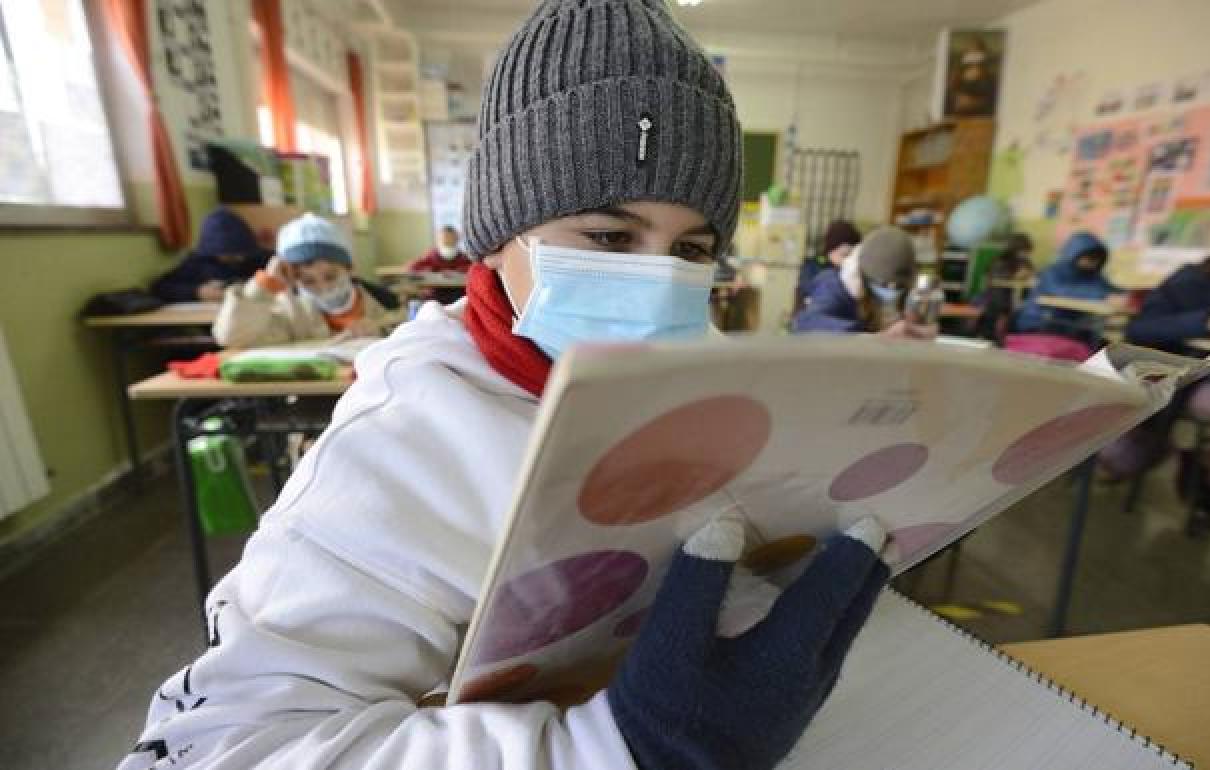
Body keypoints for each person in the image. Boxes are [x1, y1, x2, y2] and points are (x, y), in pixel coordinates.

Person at [117, 2, 890, 768]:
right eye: (608, 237)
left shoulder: (707, 383)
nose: (655, 282)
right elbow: (219, 747)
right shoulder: (405, 439)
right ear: (496, 235)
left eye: (691, 250)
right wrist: (611, 750)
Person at [1107, 231, 1210, 531]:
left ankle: (1205, 467)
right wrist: (1207, 321)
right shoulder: (1190, 282)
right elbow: (1141, 329)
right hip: (1193, 378)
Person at [211, 213, 392, 349]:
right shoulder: (289, 312)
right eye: (309, 281)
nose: (323, 287)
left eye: (331, 276)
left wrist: (381, 333)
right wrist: (264, 285)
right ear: (294, 281)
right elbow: (232, 338)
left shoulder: (384, 304)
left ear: (350, 268)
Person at [792, 225, 936, 338]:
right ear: (861, 274)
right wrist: (869, 337)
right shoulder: (833, 284)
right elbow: (806, 322)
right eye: (884, 285)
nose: (891, 291)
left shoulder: (899, 291)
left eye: (898, 286)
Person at [1013, 231, 1122, 347]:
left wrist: (1125, 295)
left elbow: (1108, 288)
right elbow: (1061, 291)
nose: (1093, 262)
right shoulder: (1053, 271)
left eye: (1097, 259)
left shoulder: (1092, 275)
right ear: (1074, 254)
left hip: (1071, 325)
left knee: (1101, 342)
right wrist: (1104, 296)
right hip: (1040, 321)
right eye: (1089, 257)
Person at [150, 206, 270, 302]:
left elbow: (279, 268)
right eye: (229, 254)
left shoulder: (256, 257)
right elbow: (159, 287)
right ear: (211, 250)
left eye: (241, 252)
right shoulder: (197, 264)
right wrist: (198, 292)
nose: (238, 258)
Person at [976, 232, 1035, 342]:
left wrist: (1027, 276)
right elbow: (996, 282)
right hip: (999, 298)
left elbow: (1030, 277)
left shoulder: (1025, 262)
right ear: (1016, 249)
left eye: (1027, 252)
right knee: (1011, 310)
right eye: (1024, 251)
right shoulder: (1000, 261)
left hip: (1013, 298)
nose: (1026, 254)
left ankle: (1012, 338)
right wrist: (1015, 276)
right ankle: (998, 336)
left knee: (1027, 309)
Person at [795, 220, 861, 310]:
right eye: (844, 255)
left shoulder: (851, 269)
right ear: (831, 250)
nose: (848, 261)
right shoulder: (813, 267)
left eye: (852, 256)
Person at [407, 225, 473, 273]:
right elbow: (412, 267)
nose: (448, 240)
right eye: (444, 238)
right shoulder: (430, 256)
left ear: (457, 239)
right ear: (438, 240)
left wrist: (461, 270)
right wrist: (431, 270)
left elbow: (473, 268)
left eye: (451, 238)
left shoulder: (464, 258)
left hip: (459, 290)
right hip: (435, 290)